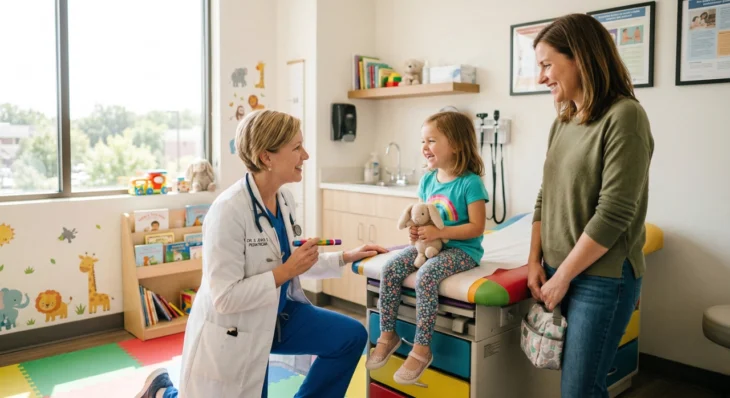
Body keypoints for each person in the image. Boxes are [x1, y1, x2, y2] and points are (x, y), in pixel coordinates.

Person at [136, 109, 387, 398]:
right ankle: (161, 392)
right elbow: (225, 297)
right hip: (236, 326)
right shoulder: (228, 211)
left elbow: (291, 258)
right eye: (296, 148)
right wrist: (286, 271)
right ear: (267, 157)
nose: (305, 155)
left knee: (350, 336)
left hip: (279, 315)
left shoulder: (284, 199)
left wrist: (345, 256)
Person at [528, 13, 654, 398]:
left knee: (580, 390)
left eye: (548, 65)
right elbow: (544, 195)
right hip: (555, 269)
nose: (541, 77)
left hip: (602, 277)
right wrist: (535, 261)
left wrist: (563, 277)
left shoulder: (625, 116)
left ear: (579, 57)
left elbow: (615, 212)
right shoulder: (563, 121)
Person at [365, 111, 489, 384]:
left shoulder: (470, 183)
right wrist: (416, 231)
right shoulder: (428, 180)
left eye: (432, 140)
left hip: (462, 250)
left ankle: (421, 349)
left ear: (456, 144)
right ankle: (388, 335)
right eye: (423, 141)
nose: (424, 147)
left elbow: (477, 227)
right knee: (392, 266)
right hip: (428, 246)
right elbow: (421, 214)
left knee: (427, 275)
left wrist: (440, 232)